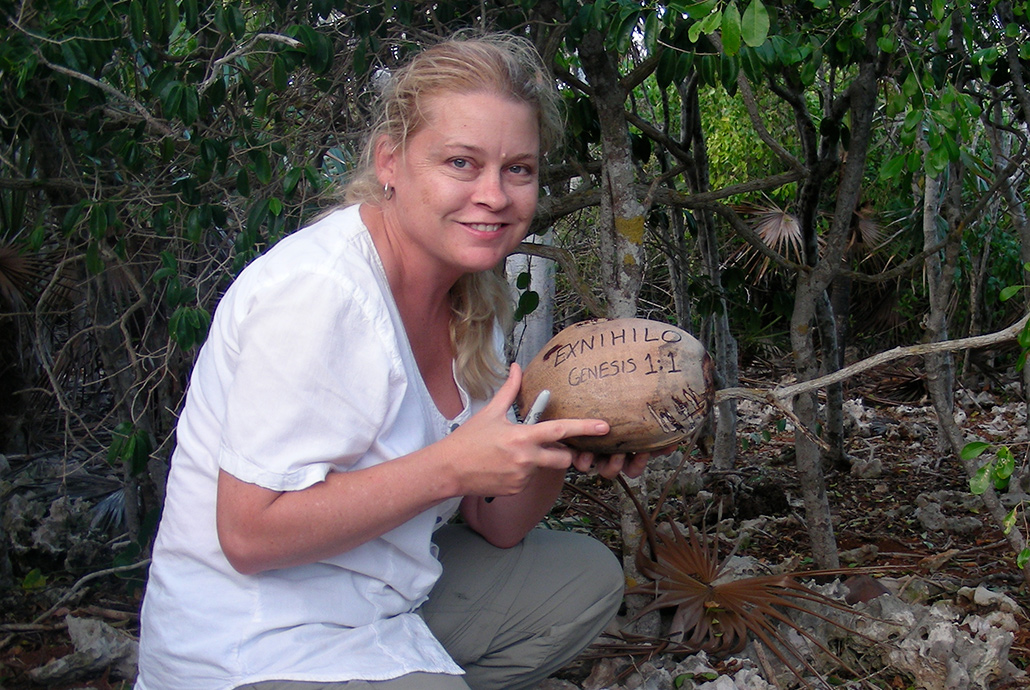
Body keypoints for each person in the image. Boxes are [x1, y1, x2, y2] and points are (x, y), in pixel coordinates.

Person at [137, 34, 655, 690]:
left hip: (381, 600)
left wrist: (565, 447)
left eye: (518, 169)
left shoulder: (472, 298)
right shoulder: (321, 292)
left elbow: (497, 523)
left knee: (580, 579)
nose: (494, 195)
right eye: (461, 163)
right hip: (254, 642)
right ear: (391, 161)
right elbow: (247, 534)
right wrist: (448, 467)